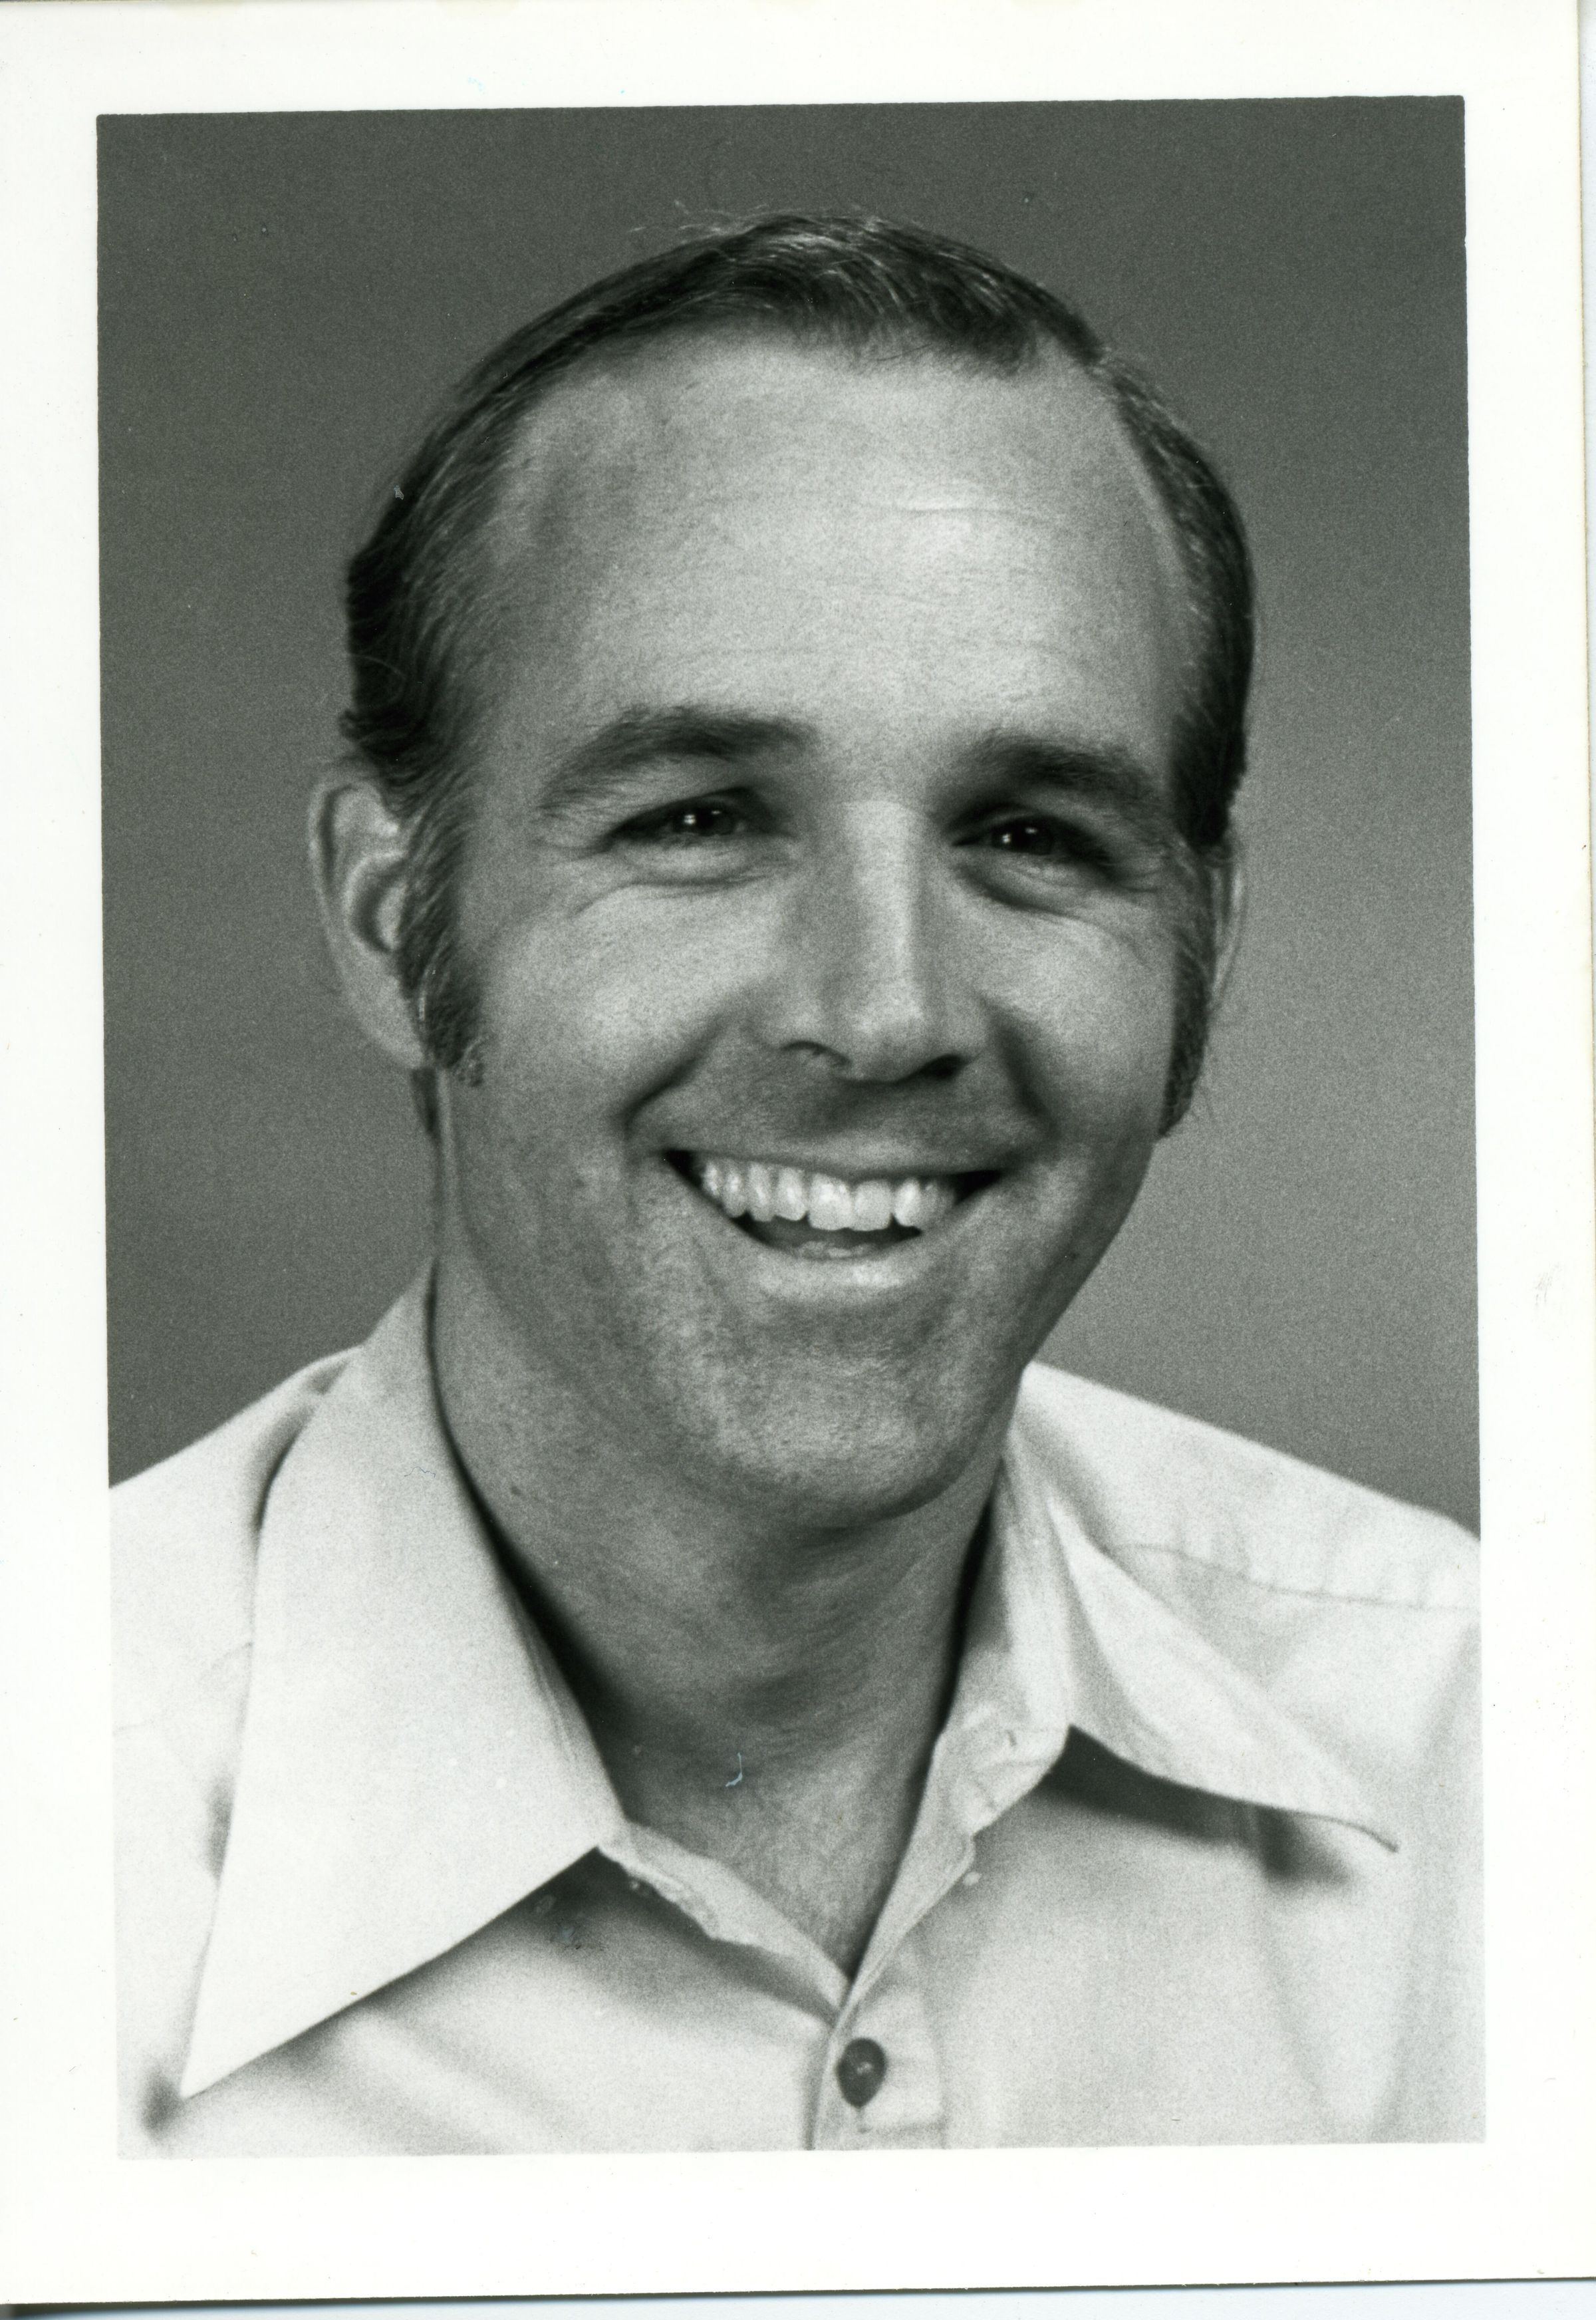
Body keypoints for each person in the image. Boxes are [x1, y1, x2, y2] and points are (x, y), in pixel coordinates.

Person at [113, 214, 1480, 2156]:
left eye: (1031, 835)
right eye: (697, 819)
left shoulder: (1500, 1758)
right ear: (390, 918)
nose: (885, 1010)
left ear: (1208, 948)